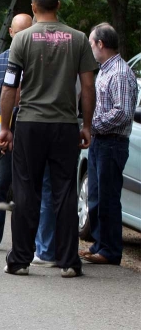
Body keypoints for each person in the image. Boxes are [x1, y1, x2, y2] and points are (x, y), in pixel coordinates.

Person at [0, 0, 97, 278]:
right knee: (65, 191)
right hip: (65, 125)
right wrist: (86, 125)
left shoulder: (22, 39)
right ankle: (68, 261)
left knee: (26, 190)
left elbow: (9, 87)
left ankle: (20, 260)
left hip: (30, 123)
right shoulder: (78, 39)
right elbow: (88, 87)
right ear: (59, 5)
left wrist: (5, 127)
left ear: (33, 6)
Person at [0, 14, 57, 268]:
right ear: (11, 32)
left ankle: (32, 242)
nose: (21, 36)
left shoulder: (40, 60)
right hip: (4, 131)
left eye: (27, 31)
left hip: (32, 131)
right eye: (18, 32)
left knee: (32, 189)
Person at [80, 22, 138, 265]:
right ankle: (100, 244)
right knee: (95, 196)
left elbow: (122, 113)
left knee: (108, 197)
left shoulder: (121, 73)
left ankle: (111, 250)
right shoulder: (104, 69)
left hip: (112, 143)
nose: (91, 49)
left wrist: (93, 124)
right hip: (100, 142)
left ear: (100, 44)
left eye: (92, 44)